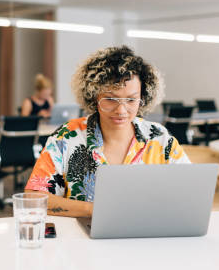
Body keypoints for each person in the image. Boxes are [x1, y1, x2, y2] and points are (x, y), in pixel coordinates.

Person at [25, 46, 190, 217]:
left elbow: (189, 191)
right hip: (82, 239)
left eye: (131, 100)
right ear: (93, 96)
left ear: (143, 97)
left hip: (147, 237)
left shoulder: (159, 138)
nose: (121, 110)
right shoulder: (67, 137)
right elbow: (33, 198)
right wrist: (94, 210)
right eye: (110, 99)